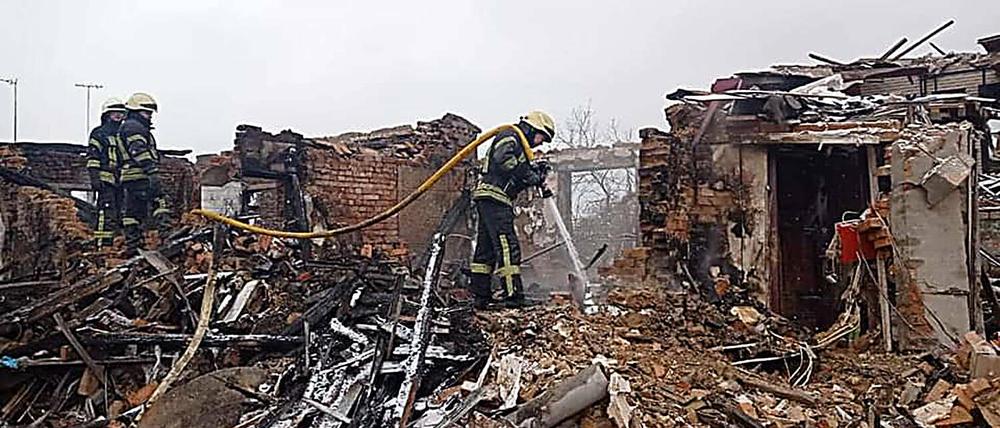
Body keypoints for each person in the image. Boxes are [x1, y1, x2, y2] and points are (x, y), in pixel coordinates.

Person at [469, 111, 555, 308]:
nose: (540, 143)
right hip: (495, 197)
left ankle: (481, 296)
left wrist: (533, 174)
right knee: (507, 245)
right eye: (542, 137)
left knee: (486, 249)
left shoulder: (520, 146)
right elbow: (503, 159)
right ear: (534, 128)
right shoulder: (511, 135)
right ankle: (512, 295)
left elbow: (515, 174)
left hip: (491, 197)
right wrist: (527, 173)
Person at [119, 92, 169, 256]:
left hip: (129, 176)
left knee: (132, 213)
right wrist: (152, 171)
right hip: (141, 174)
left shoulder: (129, 126)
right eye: (146, 112)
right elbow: (138, 150)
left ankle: (133, 246)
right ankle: (167, 239)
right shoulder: (134, 127)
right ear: (135, 111)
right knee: (159, 203)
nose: (149, 116)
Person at [85, 97, 127, 249]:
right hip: (105, 179)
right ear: (107, 114)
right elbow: (93, 156)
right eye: (114, 112)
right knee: (105, 212)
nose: (118, 116)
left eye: (121, 113)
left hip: (121, 179)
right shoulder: (99, 133)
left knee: (120, 212)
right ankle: (102, 245)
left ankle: (117, 243)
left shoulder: (124, 133)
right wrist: (94, 177)